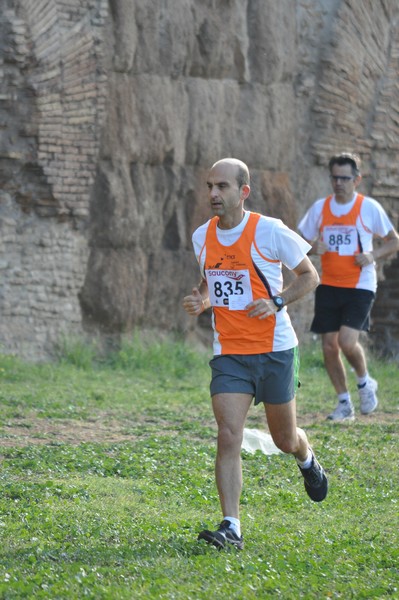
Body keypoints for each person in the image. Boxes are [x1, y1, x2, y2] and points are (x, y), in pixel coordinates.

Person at [182, 157, 328, 551]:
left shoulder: (269, 231)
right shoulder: (201, 236)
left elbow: (310, 276)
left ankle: (306, 457)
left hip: (275, 350)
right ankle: (232, 526)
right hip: (229, 352)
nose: (213, 193)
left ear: (243, 192)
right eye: (210, 185)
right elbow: (212, 277)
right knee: (229, 434)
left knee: (283, 439)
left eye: (223, 187)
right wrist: (203, 299)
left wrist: (277, 301)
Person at [298, 152, 399, 422]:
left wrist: (372, 256)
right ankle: (344, 404)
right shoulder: (320, 208)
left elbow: (393, 240)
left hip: (360, 285)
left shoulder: (369, 208)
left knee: (346, 341)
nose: (339, 183)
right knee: (329, 346)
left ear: (357, 179)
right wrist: (312, 247)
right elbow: (299, 241)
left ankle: (365, 383)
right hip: (329, 283)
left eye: (344, 178)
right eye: (335, 177)